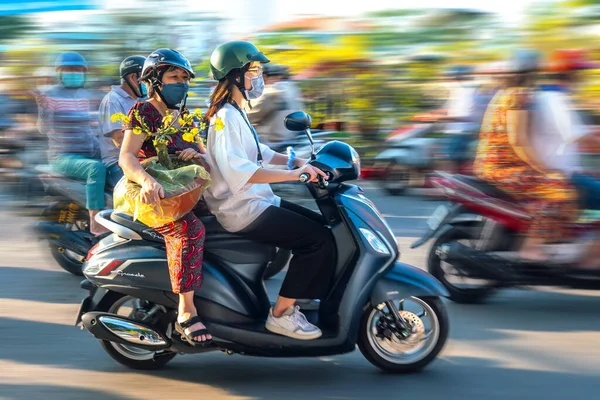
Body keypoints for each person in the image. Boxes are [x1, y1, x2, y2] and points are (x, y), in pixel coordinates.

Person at [204, 40, 335, 340]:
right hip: (243, 210)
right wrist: (294, 175)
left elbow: (260, 152)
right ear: (235, 75)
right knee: (318, 240)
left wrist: (299, 160)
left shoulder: (236, 112)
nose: (260, 76)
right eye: (255, 70)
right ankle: (281, 315)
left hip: (259, 201)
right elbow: (240, 172)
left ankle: (300, 295)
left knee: (325, 226)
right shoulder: (224, 118)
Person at [118, 48, 211, 345]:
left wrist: (195, 153)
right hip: (155, 197)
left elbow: (206, 157)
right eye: (174, 76)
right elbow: (127, 157)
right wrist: (146, 181)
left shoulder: (184, 117)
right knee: (189, 230)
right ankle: (187, 311)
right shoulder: (142, 111)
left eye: (184, 78)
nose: (181, 83)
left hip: (184, 191)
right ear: (155, 81)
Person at [473, 49, 579, 262]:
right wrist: (546, 171)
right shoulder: (519, 95)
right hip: (500, 168)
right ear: (533, 71)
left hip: (495, 165)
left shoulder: (503, 93)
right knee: (560, 191)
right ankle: (531, 247)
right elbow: (518, 140)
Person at [36, 51, 108, 235]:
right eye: (69, 69)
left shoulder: (87, 94)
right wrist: (44, 109)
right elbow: (43, 129)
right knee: (96, 169)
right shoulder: (49, 96)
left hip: (91, 150)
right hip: (64, 156)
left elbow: (99, 123)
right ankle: (95, 222)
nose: (74, 73)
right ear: (59, 72)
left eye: (78, 69)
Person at [98, 55, 146, 188]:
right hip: (117, 163)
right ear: (132, 77)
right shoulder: (113, 100)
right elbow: (119, 139)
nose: (150, 83)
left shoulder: (139, 101)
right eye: (146, 78)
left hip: (138, 160)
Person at [247, 63, 305, 144]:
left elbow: (252, 115)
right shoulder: (293, 89)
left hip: (271, 141)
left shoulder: (271, 91)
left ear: (264, 76)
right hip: (291, 138)